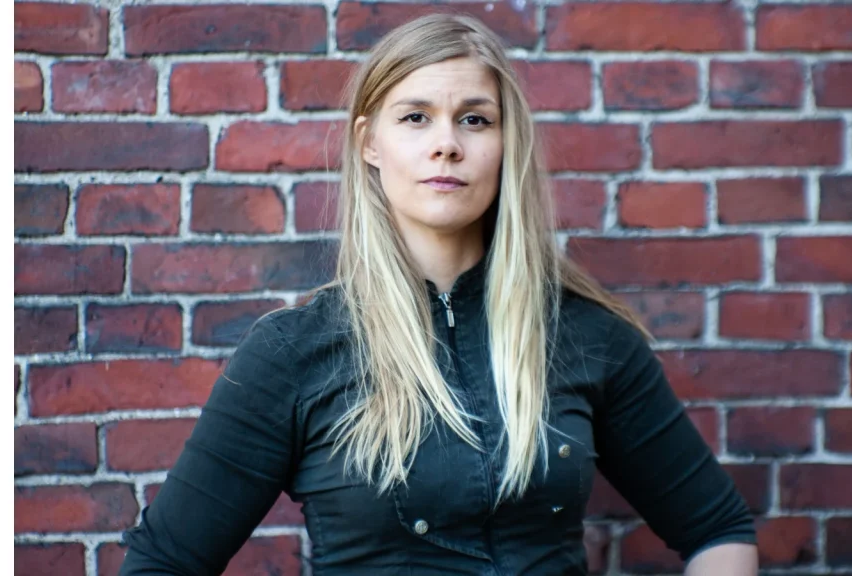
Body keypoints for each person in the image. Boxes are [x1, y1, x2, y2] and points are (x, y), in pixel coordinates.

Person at [118, 13, 758, 576]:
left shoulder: (585, 334)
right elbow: (164, 561)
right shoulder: (293, 352)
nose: (447, 143)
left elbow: (718, 529)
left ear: (505, 144)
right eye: (416, 117)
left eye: (475, 119)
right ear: (370, 143)